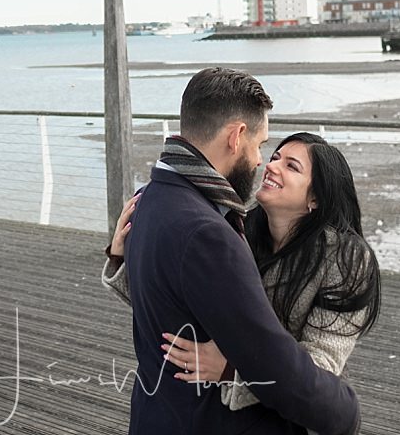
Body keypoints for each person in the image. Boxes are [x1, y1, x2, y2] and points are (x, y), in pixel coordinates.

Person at [102, 67, 361, 435]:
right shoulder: (210, 233)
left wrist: (119, 257)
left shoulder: (149, 199)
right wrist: (344, 412)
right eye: (261, 146)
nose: (261, 161)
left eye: (290, 164)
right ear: (237, 136)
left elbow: (173, 294)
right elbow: (275, 367)